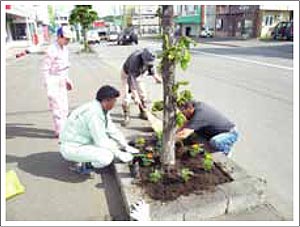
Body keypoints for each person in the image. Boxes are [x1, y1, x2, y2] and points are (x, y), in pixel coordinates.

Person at [59, 85, 139, 174]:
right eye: (114, 100)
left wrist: (125, 145)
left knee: (113, 144)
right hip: (73, 147)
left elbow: (112, 129)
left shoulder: (100, 107)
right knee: (106, 157)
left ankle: (85, 158)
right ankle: (84, 165)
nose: (115, 103)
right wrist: (120, 154)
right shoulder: (94, 114)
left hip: (82, 141)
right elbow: (101, 140)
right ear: (106, 100)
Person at [41, 26, 74, 138]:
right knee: (57, 107)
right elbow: (46, 68)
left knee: (64, 107)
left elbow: (64, 67)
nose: (68, 41)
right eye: (66, 39)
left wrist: (67, 80)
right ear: (59, 37)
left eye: (69, 39)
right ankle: (60, 131)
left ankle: (63, 128)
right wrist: (48, 84)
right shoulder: (51, 50)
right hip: (53, 79)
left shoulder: (65, 49)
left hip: (62, 79)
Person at [121, 48, 162, 126]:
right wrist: (135, 95)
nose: (148, 63)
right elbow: (131, 81)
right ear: (143, 58)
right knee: (126, 96)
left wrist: (157, 78)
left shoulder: (150, 58)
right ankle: (126, 116)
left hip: (138, 75)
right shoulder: (134, 60)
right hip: (127, 75)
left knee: (143, 95)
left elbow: (152, 69)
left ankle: (143, 112)